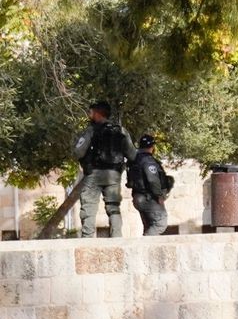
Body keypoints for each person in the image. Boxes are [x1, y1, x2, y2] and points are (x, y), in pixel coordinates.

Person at [72, 101, 133, 238]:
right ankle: (117, 238)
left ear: (97, 113)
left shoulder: (90, 130)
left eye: (91, 112)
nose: (89, 115)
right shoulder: (121, 131)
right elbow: (132, 154)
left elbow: (78, 152)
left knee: (88, 208)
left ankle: (87, 239)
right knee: (113, 208)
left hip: (93, 174)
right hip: (114, 175)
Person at [126, 134, 173, 235]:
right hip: (148, 198)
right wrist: (159, 196)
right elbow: (152, 180)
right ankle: (145, 242)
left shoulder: (135, 160)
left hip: (138, 197)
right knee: (160, 223)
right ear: (152, 147)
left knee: (149, 226)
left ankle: (146, 248)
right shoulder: (148, 161)